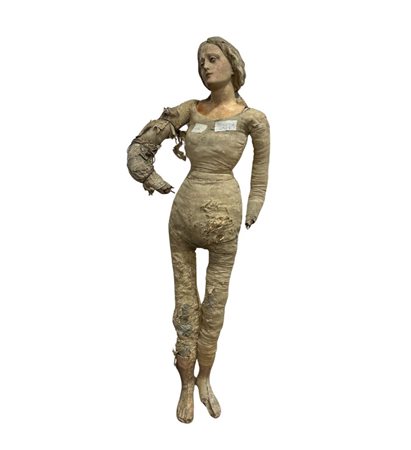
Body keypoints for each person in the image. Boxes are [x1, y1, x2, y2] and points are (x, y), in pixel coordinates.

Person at [127, 36, 270, 423]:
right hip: (183, 220)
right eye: (200, 61)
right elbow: (141, 145)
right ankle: (186, 384)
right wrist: (148, 175)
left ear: (232, 64)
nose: (205, 66)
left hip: (225, 219)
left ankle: (205, 378)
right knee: (186, 309)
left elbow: (260, 172)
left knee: (215, 308)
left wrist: (255, 204)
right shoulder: (190, 109)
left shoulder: (253, 118)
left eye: (212, 58)